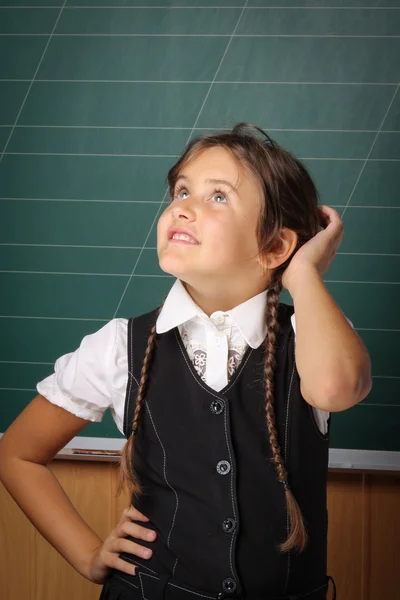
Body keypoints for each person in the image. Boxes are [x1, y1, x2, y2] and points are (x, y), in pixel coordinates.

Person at [0, 123, 372, 600]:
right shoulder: (120, 346)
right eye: (181, 190)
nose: (183, 206)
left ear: (275, 246)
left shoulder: (313, 335)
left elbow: (337, 388)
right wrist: (88, 554)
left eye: (218, 197)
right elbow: (18, 454)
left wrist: (302, 275)